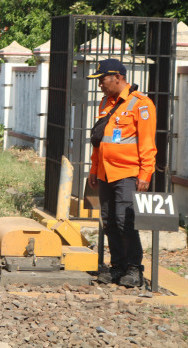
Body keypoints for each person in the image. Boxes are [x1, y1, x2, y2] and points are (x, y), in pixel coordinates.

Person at [86, 58, 156, 287]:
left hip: (128, 173)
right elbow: (99, 141)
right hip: (105, 173)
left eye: (102, 79)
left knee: (124, 220)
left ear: (118, 77)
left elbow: (147, 144)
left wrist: (145, 175)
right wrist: (94, 169)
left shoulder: (141, 104)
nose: (100, 85)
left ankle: (134, 268)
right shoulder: (106, 103)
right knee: (109, 221)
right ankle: (117, 266)